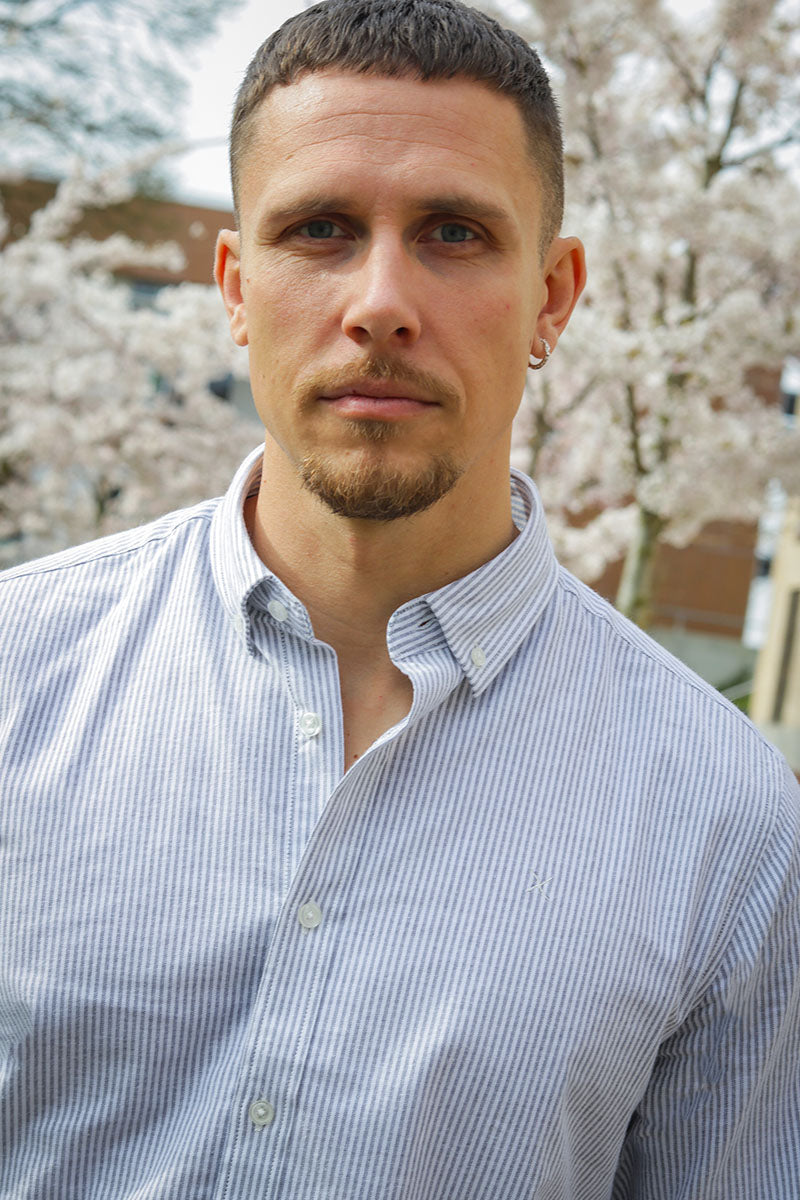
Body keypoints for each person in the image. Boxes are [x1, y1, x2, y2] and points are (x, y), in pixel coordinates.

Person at [1, 0, 798, 1195]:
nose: (379, 302)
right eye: (319, 229)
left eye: (453, 233)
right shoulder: (18, 671)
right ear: (234, 287)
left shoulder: (728, 822)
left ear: (552, 296)